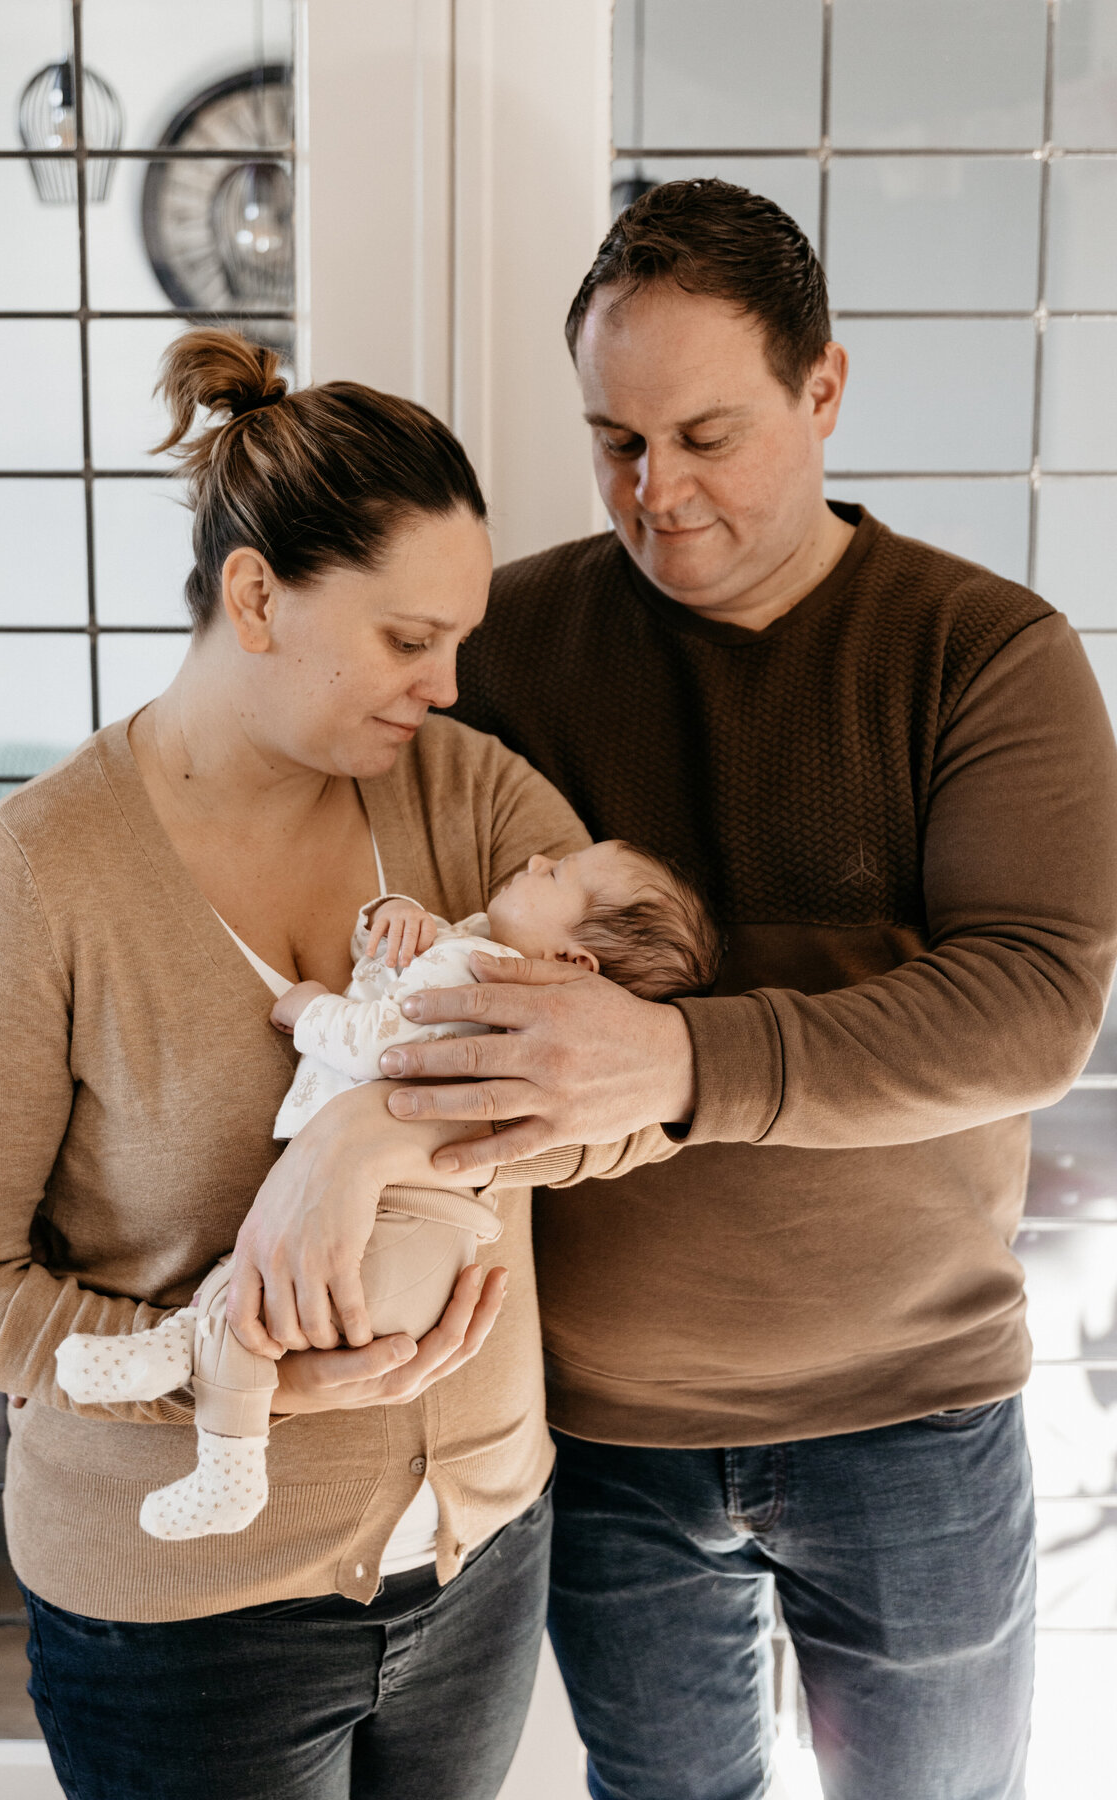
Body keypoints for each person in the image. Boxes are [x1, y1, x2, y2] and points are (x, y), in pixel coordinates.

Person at [360, 180, 1117, 1799]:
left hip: (913, 1416)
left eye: (707, 435)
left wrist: (679, 1061)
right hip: (603, 1430)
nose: (660, 494)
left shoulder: (989, 651)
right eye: (617, 443)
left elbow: (1033, 1005)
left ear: (824, 388)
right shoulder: (508, 648)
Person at [0, 328, 674, 1800]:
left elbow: (634, 1095)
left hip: (479, 1556)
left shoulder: (469, 800)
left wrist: (376, 1137)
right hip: (185, 1628)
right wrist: (238, 1380)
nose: (449, 688)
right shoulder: (36, 879)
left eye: (458, 640)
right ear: (255, 597)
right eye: (408, 642)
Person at [54, 845, 719, 1543]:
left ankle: (229, 1468)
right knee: (246, 1297)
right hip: (426, 1234)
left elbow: (383, 1045)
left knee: (251, 1299)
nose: (537, 855)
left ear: (573, 964)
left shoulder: (479, 978)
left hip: (399, 1226)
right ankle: (180, 1348)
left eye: (555, 874)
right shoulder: (490, 962)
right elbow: (399, 972)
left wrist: (310, 1012)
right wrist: (389, 916)